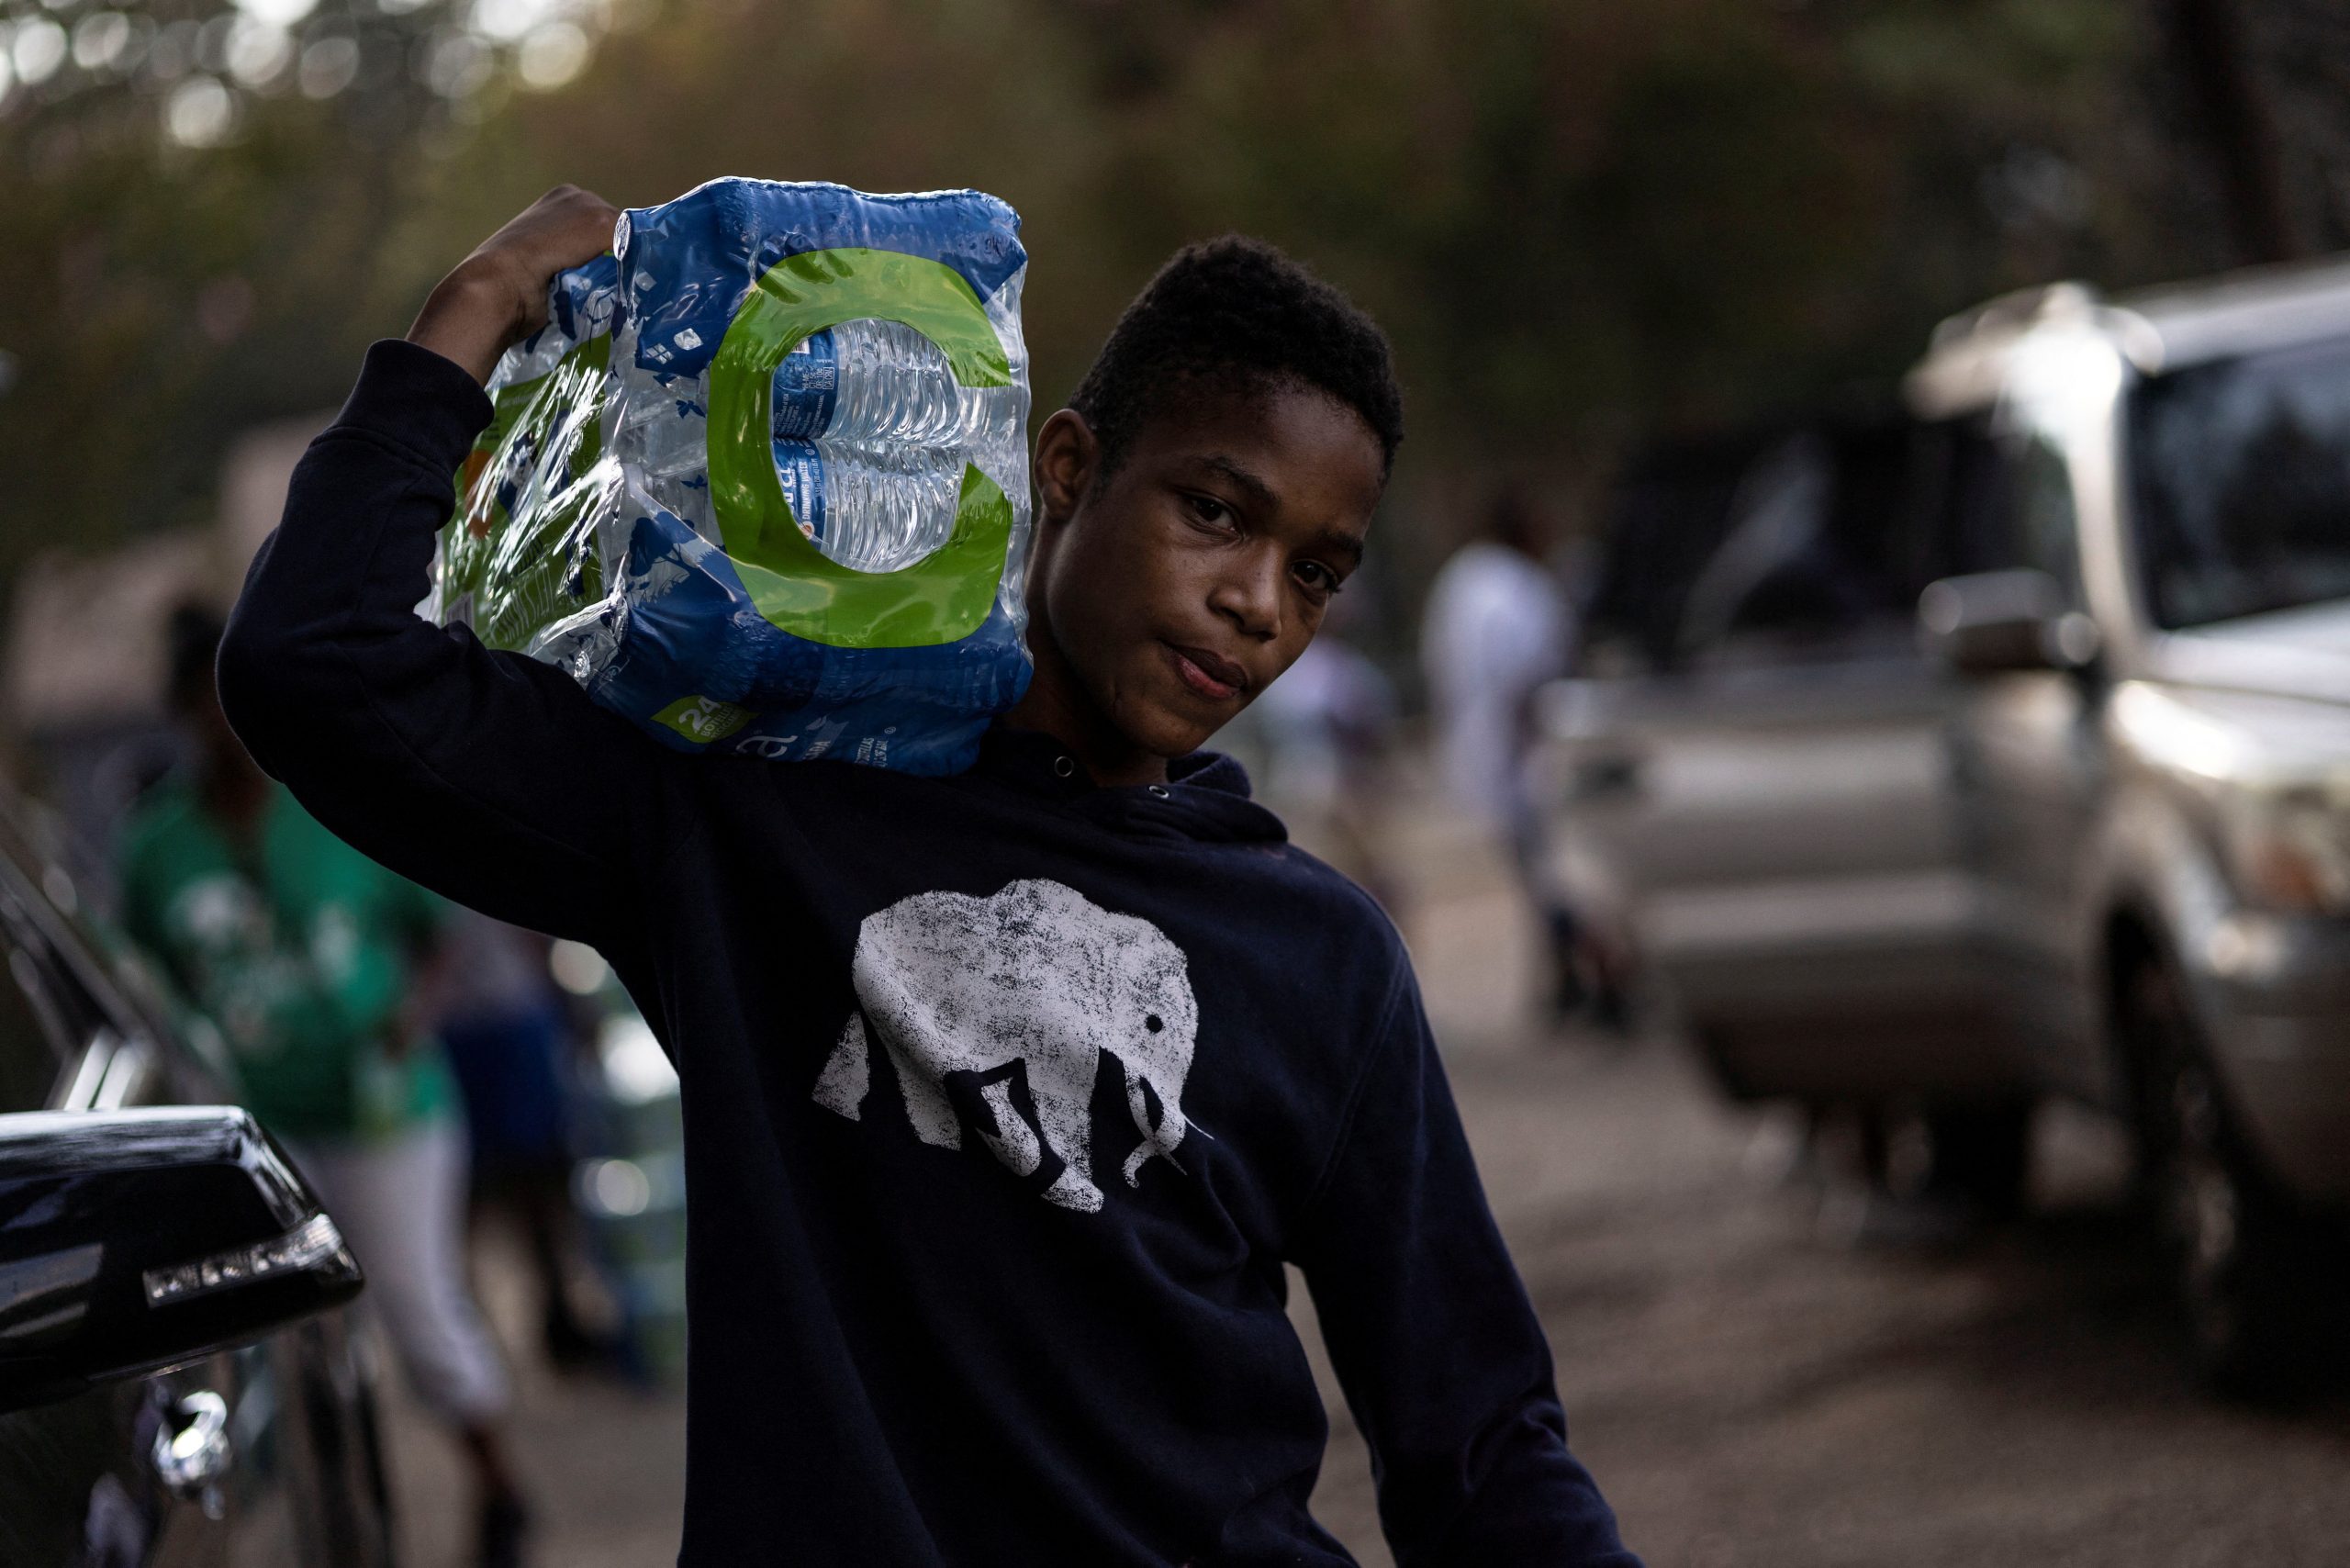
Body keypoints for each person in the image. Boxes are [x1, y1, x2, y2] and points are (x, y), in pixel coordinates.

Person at [218, 185, 1640, 1567]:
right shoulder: (754, 821)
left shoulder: (1318, 955)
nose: (1259, 605)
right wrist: (465, 321)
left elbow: (1482, 1446)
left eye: (1318, 572)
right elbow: (313, 670)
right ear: (1066, 466)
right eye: (1216, 510)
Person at [118, 606, 532, 1568]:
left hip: (388, 1112)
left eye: (235, 701)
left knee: (421, 1317)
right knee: (287, 1343)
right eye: (203, 704)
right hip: (264, 1136)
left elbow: (437, 929)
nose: (224, 725)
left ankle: (500, 1486)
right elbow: (148, 989)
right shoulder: (157, 847)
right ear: (181, 712)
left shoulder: (337, 798)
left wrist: (406, 1016)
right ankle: (333, 1506)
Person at [1420, 491, 1622, 1027]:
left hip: (1480, 752)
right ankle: (1600, 980)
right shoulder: (1518, 586)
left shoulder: (1463, 580)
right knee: (1568, 879)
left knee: (1541, 874)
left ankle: (1566, 982)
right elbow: (1528, 680)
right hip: (1525, 754)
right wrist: (1532, 756)